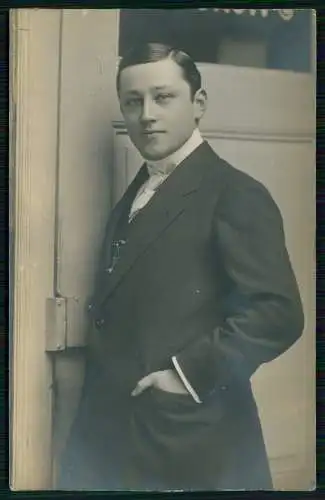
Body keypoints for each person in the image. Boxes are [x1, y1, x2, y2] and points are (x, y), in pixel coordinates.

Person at [58, 42, 304, 491]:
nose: (147, 114)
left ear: (199, 104)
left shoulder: (234, 193)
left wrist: (184, 375)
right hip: (120, 437)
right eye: (133, 102)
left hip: (193, 438)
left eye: (163, 97)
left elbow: (277, 313)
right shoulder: (138, 191)